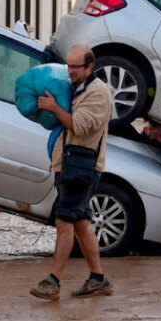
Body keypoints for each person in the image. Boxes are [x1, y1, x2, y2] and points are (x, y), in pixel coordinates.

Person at [29, 45, 114, 301]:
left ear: (90, 67)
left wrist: (54, 107)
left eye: (76, 67)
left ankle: (53, 281)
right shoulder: (77, 88)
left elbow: (77, 126)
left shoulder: (98, 94)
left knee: (64, 221)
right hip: (68, 165)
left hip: (82, 169)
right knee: (80, 222)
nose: (71, 71)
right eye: (69, 66)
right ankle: (97, 278)